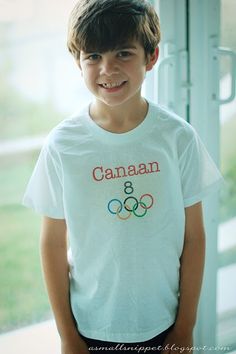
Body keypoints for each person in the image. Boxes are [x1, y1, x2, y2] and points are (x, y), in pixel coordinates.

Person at [22, 0, 224, 353]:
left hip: (165, 324)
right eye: (94, 56)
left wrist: (186, 327)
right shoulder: (63, 145)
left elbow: (195, 238)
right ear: (78, 62)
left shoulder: (178, 138)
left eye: (123, 53)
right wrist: (67, 336)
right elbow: (52, 242)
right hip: (91, 327)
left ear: (151, 57)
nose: (107, 69)